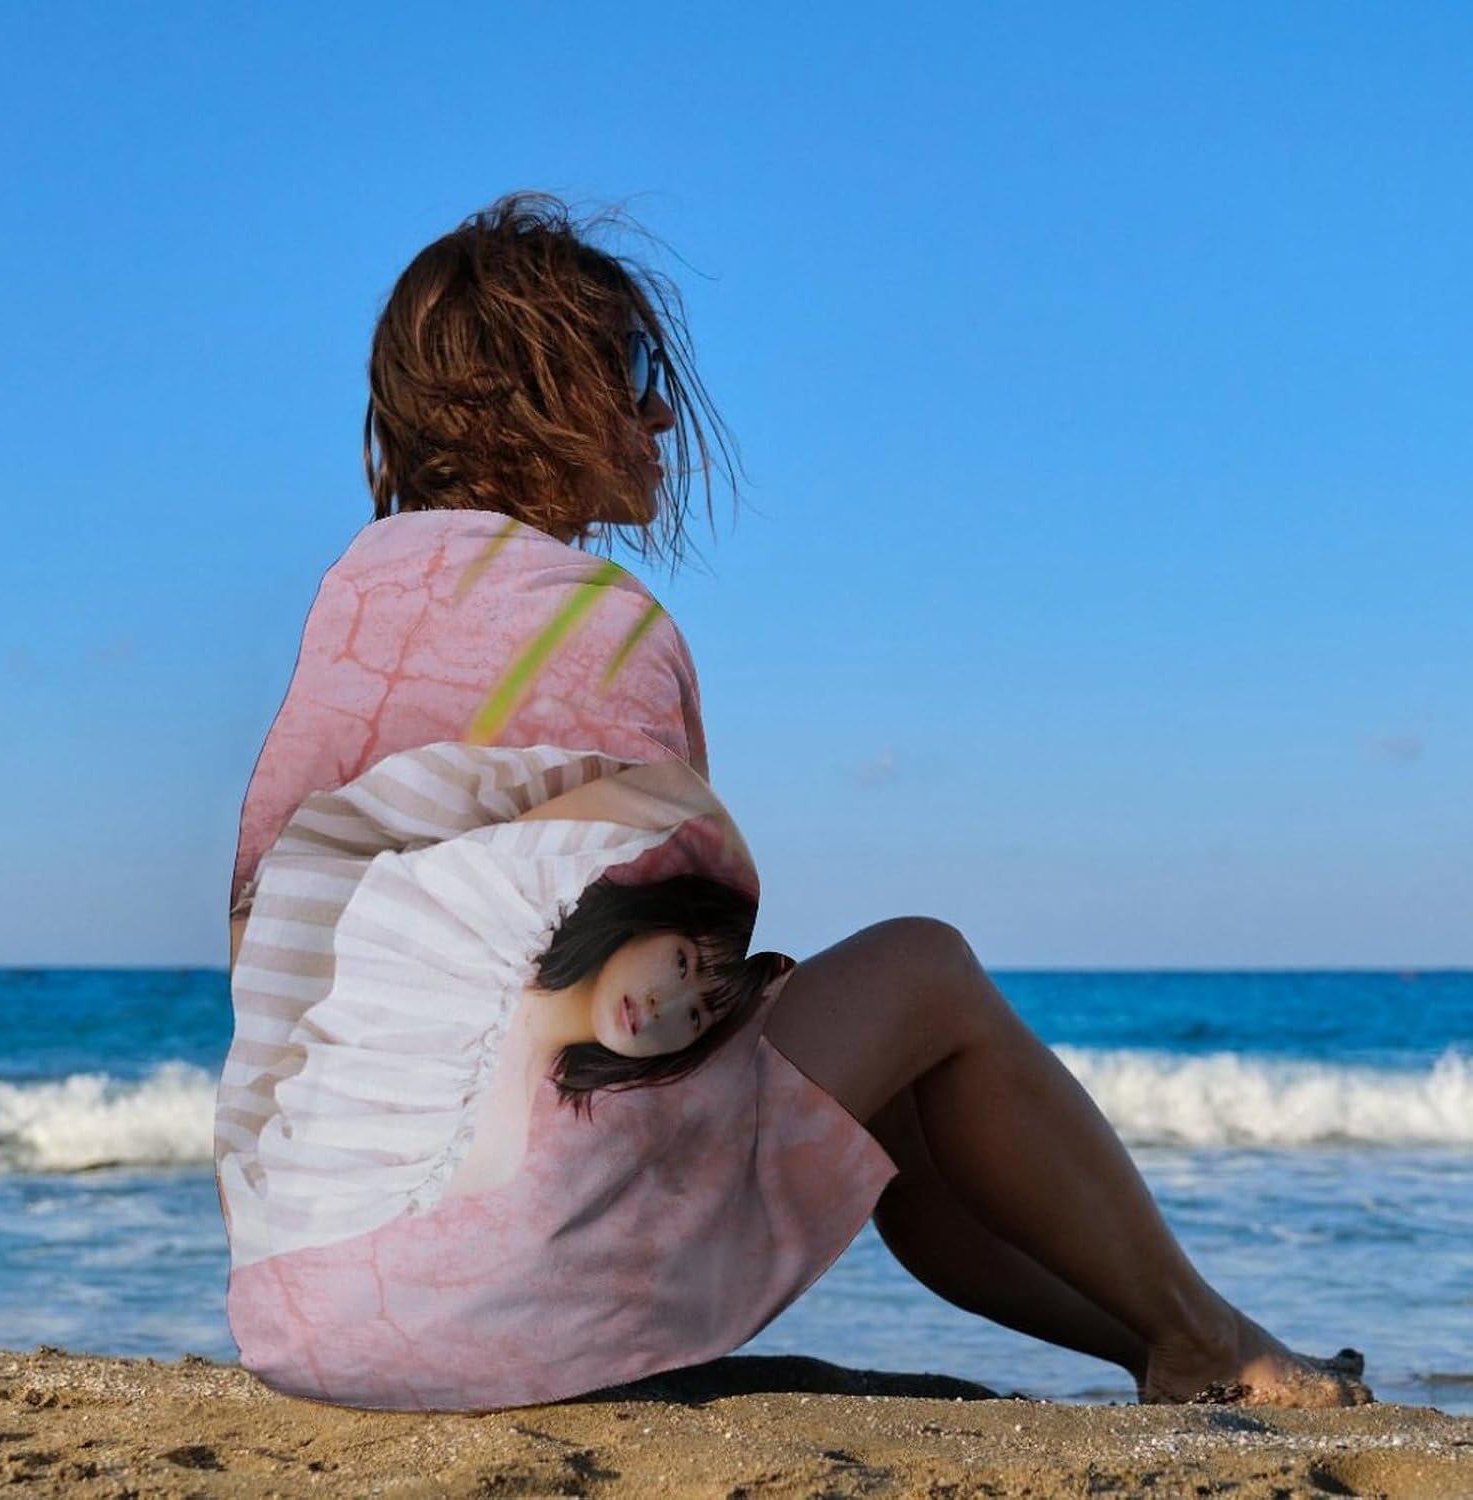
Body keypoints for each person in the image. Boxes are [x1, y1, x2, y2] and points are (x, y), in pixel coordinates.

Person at [220, 189, 1369, 1412]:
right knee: (926, 974)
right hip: (509, 1291)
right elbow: (662, 979)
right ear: (542, 392)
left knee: (903, 1090)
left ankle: (1186, 1342)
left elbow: (273, 962)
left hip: (310, 1313)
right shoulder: (596, 628)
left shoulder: (352, 614)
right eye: (633, 368)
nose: (660, 410)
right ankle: (1209, 1339)